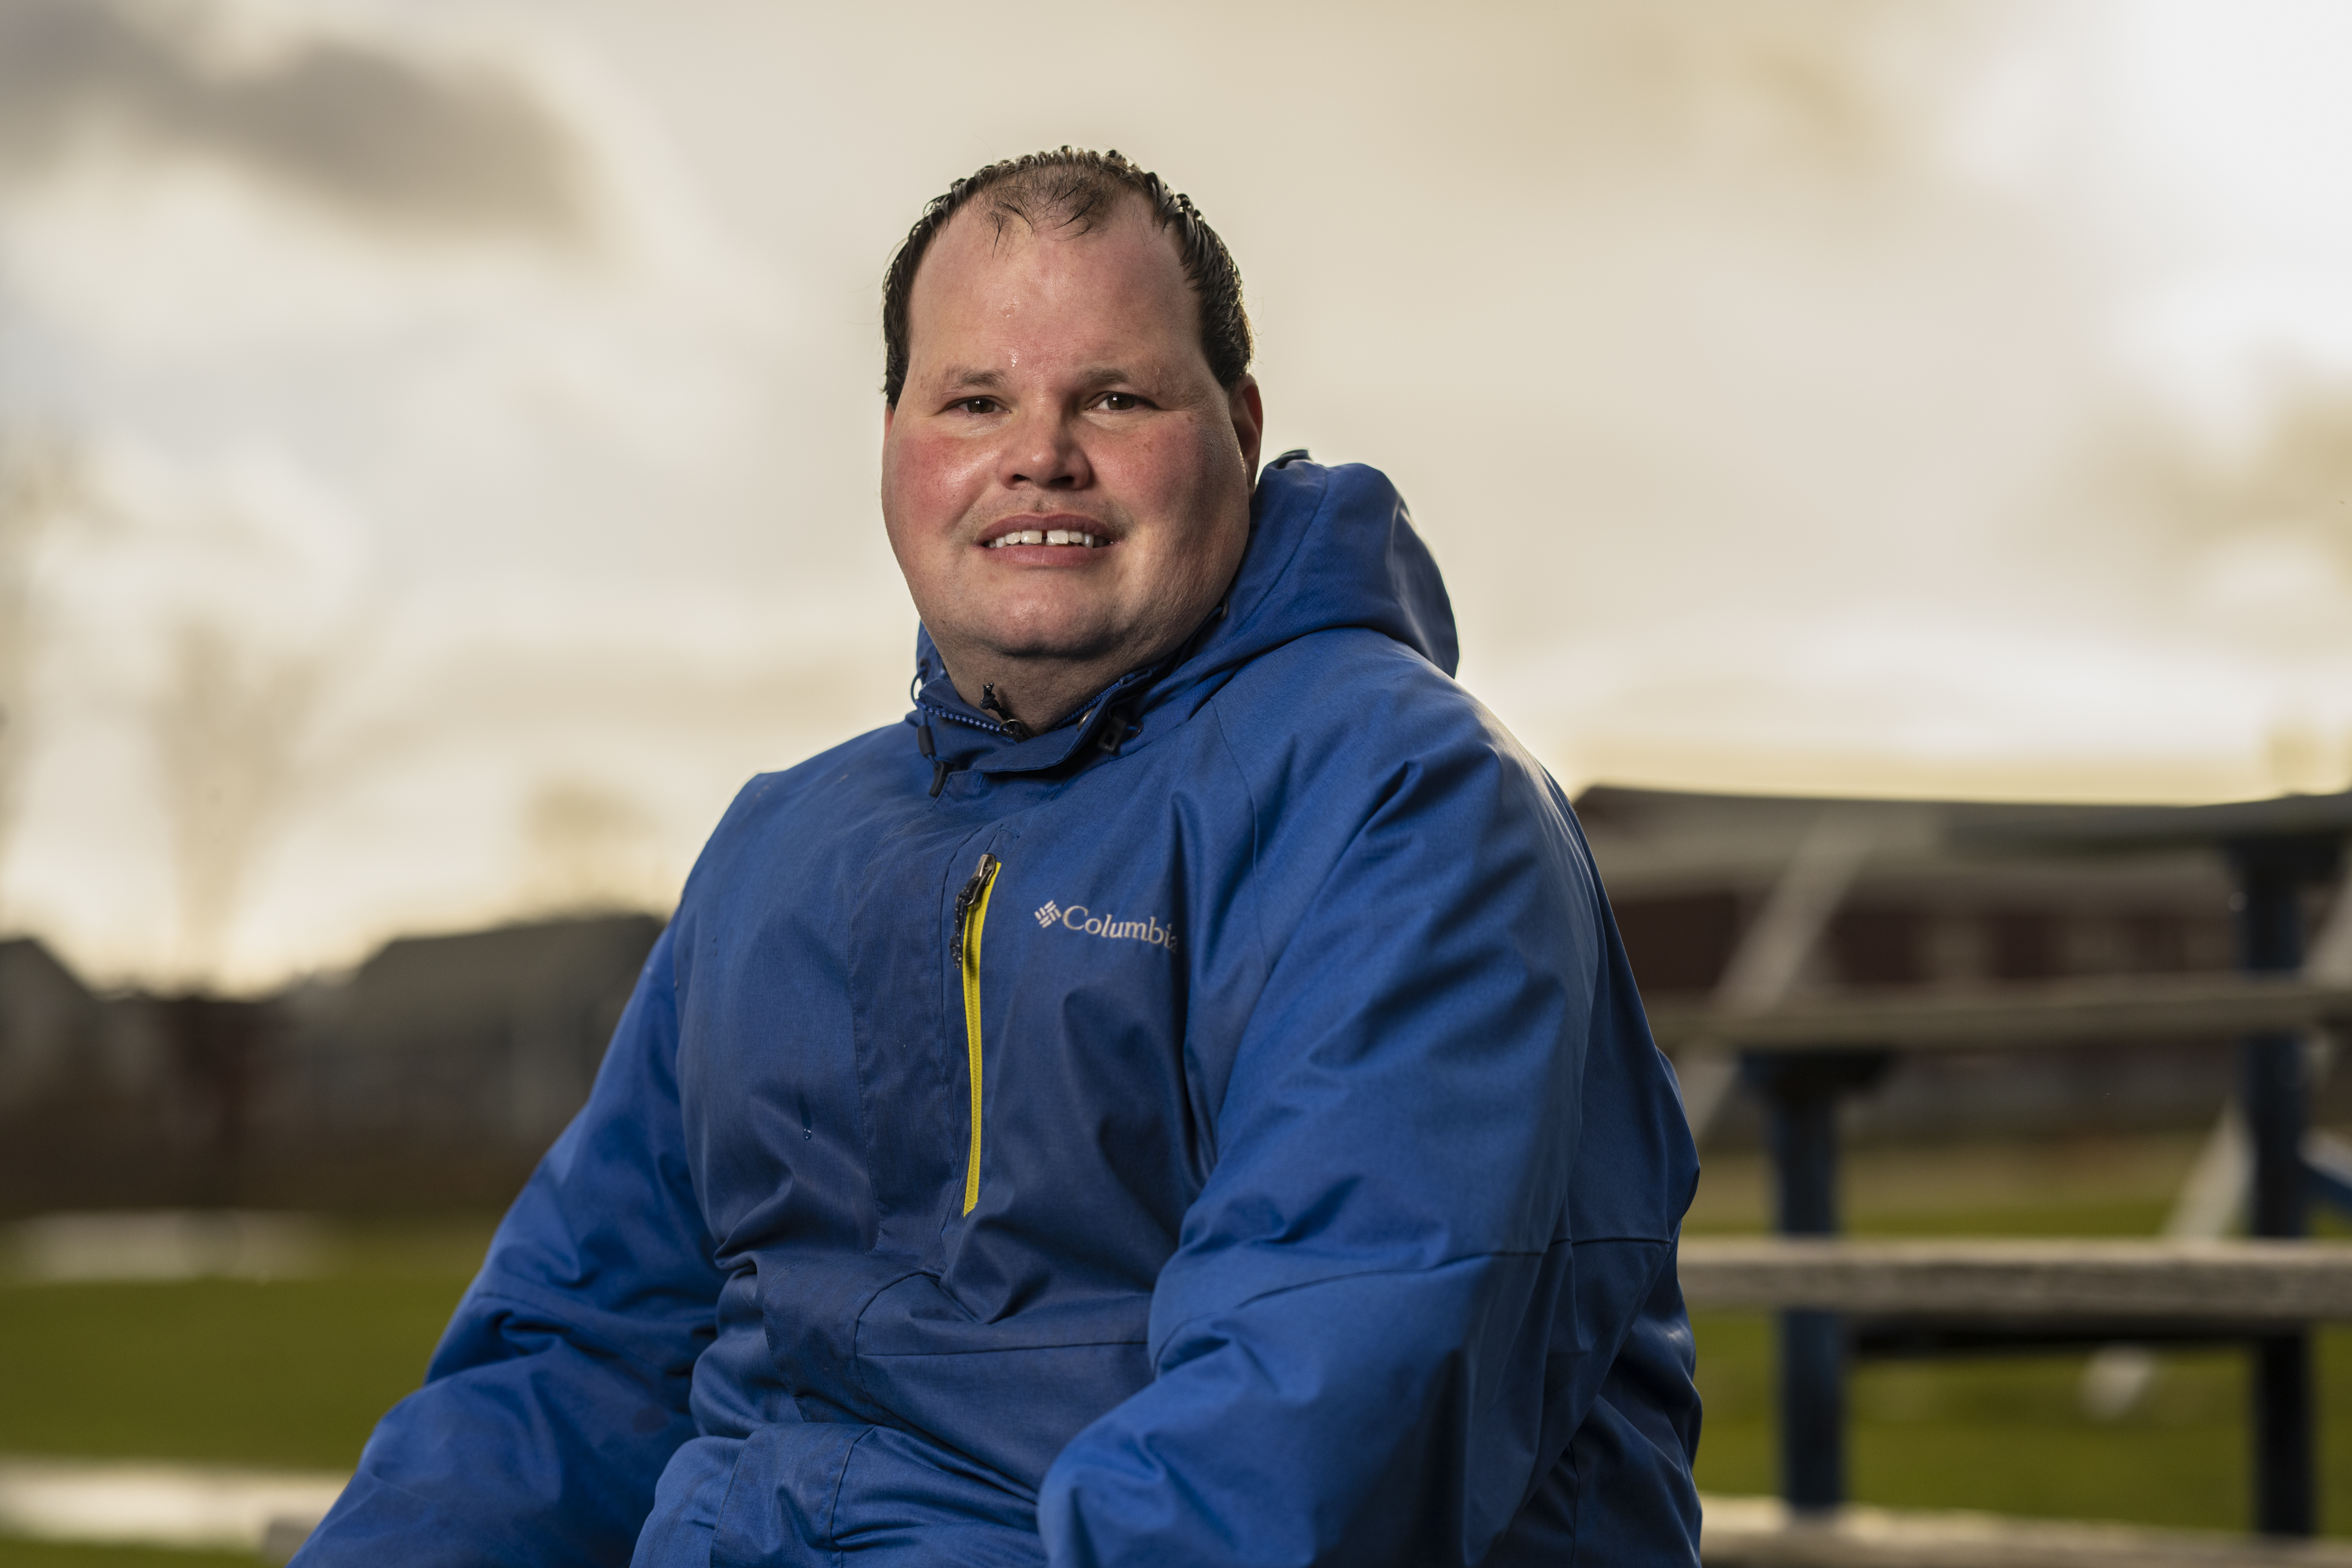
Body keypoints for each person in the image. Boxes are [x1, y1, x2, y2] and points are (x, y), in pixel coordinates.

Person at [294, 147, 1701, 1567]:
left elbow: (1304, 1455)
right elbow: (576, 1358)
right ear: (894, 439)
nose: (1042, 453)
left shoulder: (1404, 810)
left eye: (1116, 396)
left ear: (1242, 424)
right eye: (975, 399)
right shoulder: (780, 847)